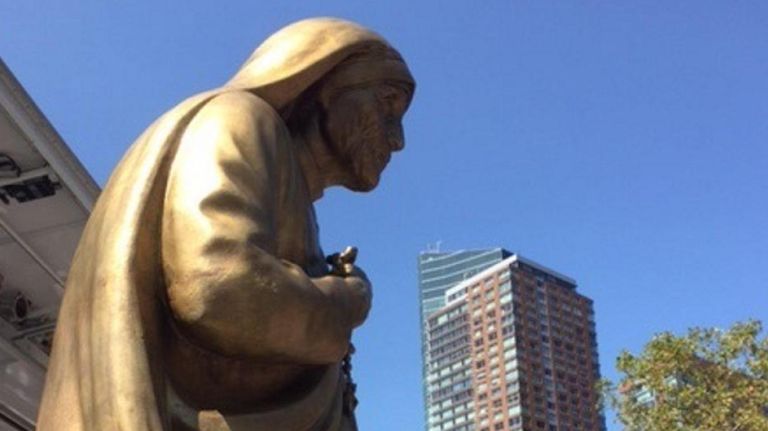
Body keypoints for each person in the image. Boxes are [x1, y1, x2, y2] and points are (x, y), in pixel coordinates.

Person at [37, 18, 414, 431]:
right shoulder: (241, 120)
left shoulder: (294, 194)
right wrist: (344, 301)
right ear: (327, 84)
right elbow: (218, 288)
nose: (397, 139)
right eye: (387, 105)